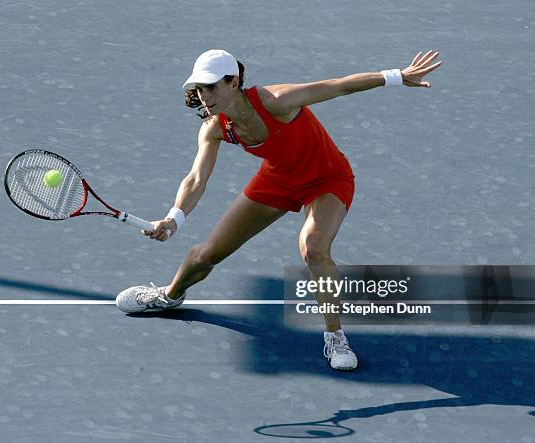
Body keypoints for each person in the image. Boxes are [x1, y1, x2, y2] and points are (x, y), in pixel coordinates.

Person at [116, 49, 442, 371]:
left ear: (234, 82)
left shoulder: (277, 100)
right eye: (200, 89)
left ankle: (335, 335)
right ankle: (170, 296)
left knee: (314, 248)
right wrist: (174, 218)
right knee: (206, 255)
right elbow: (196, 178)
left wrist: (399, 76)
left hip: (328, 179)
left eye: (212, 86)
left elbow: (339, 85)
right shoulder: (216, 128)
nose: (204, 96)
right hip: (277, 182)